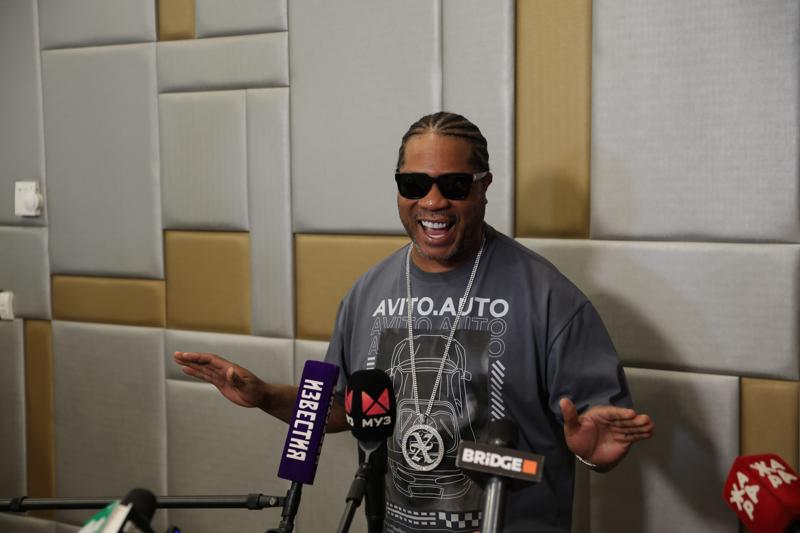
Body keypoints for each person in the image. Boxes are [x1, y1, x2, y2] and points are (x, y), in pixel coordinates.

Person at [175, 112, 654, 532]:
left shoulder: (551, 299)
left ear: (484, 186)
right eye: (414, 185)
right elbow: (342, 407)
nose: (432, 201)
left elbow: (594, 434)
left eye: (453, 185)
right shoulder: (365, 293)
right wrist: (264, 396)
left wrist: (591, 453)